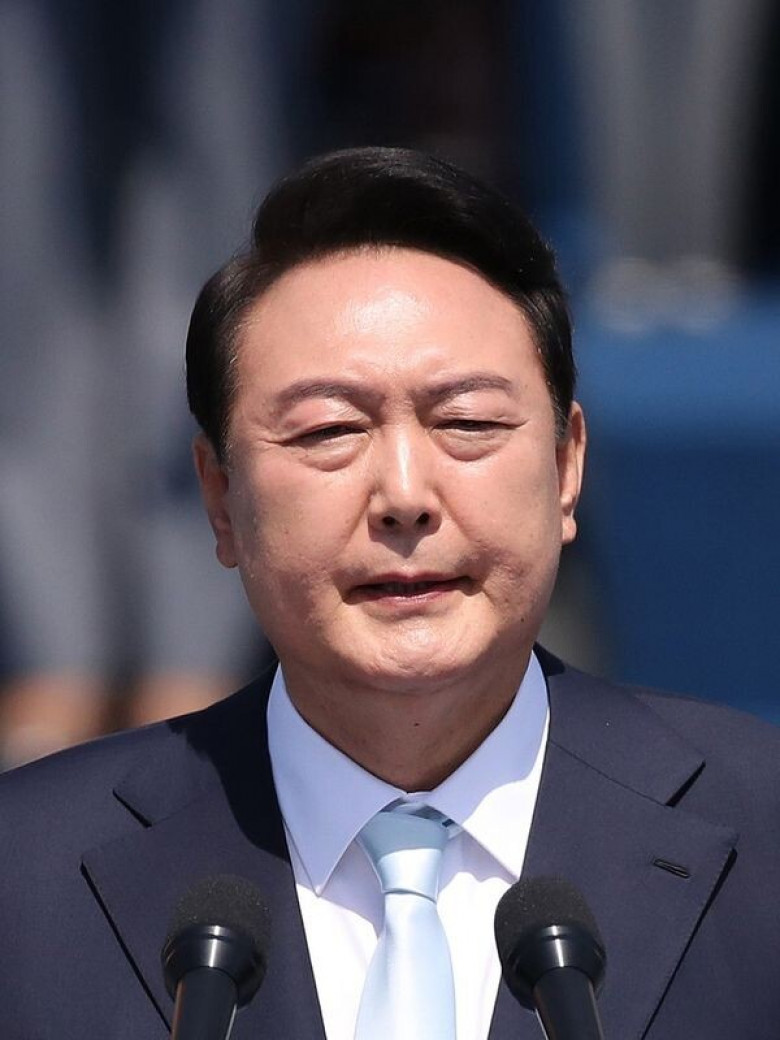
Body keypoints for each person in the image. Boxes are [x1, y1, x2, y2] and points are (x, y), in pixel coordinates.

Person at [1, 147, 779, 1040]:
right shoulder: (26, 875)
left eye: (468, 423)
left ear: (567, 467)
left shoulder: (761, 830)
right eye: (329, 431)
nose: (405, 496)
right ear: (219, 497)